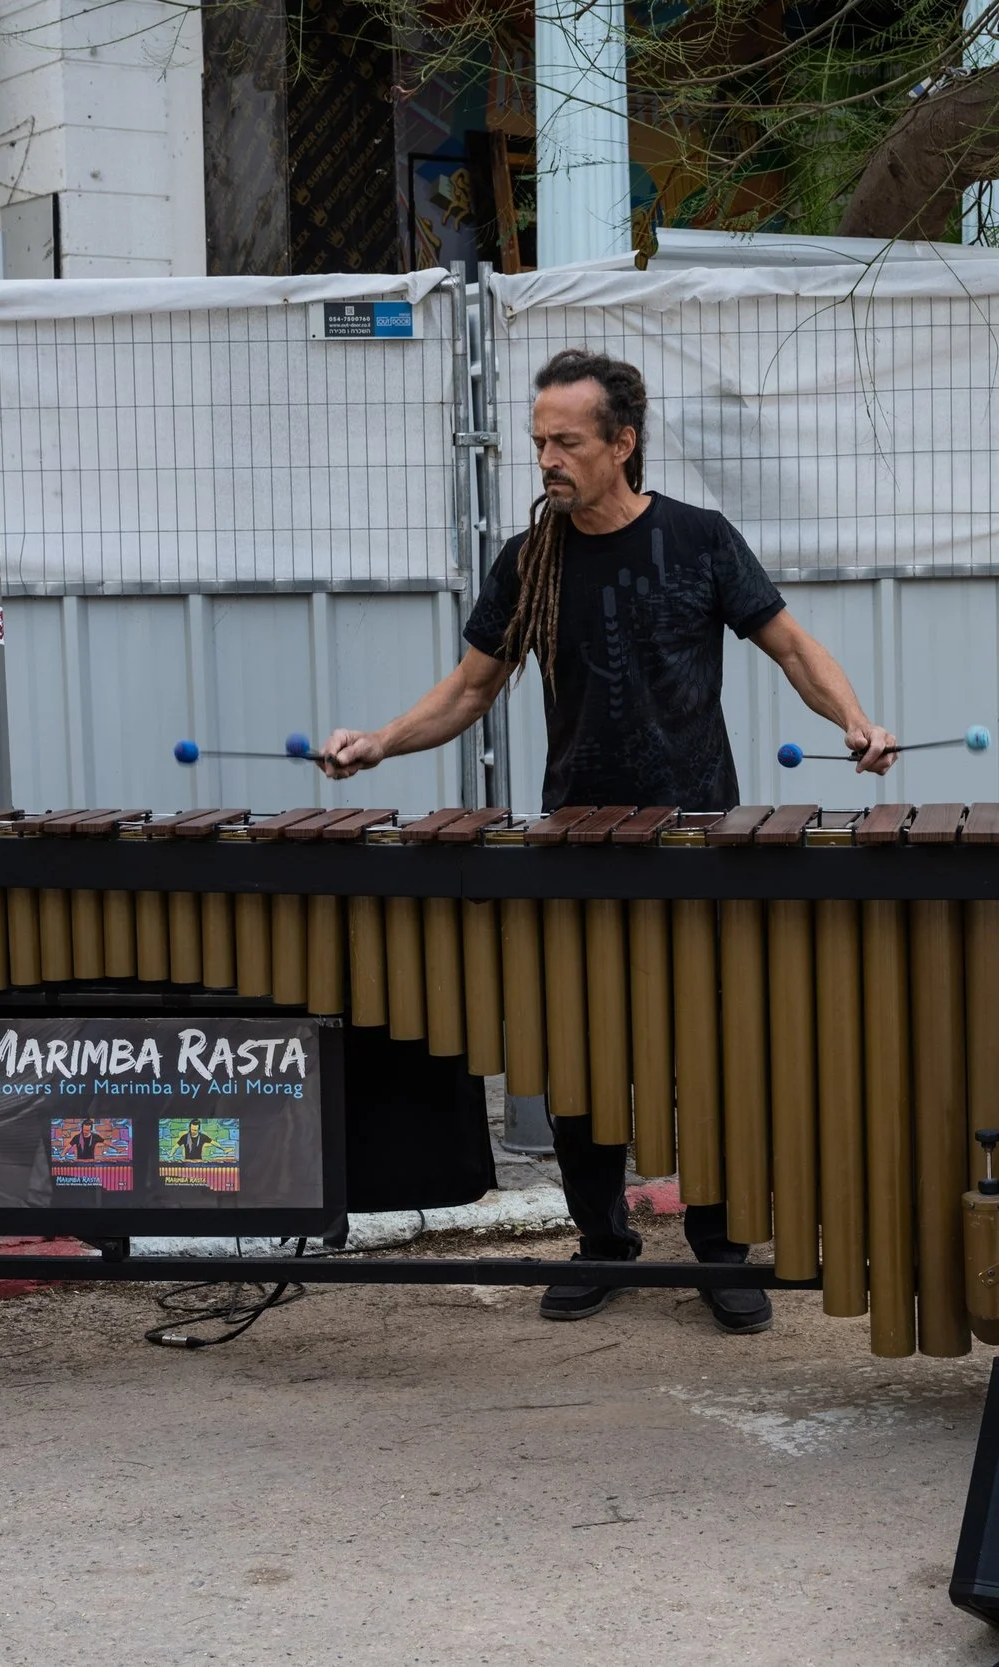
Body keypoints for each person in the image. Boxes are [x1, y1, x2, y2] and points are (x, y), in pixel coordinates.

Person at [316, 348, 897, 1335]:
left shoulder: (700, 541)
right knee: (579, 1054)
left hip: (699, 840)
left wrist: (856, 718)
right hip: (575, 838)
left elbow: (792, 645)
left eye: (567, 441)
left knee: (710, 1056)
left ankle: (719, 1251)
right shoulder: (530, 558)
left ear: (623, 443)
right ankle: (602, 1242)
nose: (547, 456)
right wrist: (378, 741)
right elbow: (468, 688)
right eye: (539, 439)